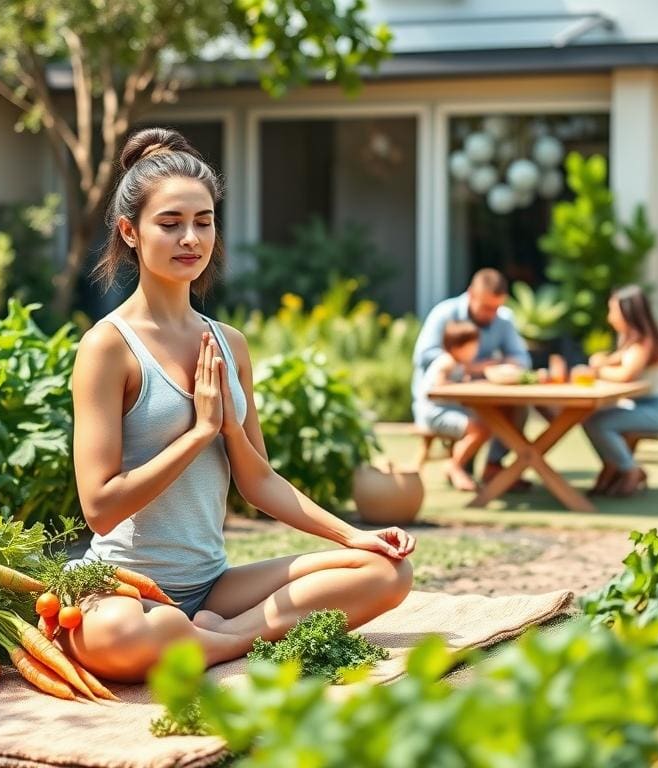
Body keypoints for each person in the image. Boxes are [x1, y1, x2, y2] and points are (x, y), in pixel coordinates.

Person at [63, 128, 414, 683]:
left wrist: (354, 536)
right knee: (120, 636)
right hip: (124, 589)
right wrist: (200, 432)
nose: (191, 239)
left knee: (388, 572)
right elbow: (100, 508)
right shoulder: (107, 347)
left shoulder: (229, 343)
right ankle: (223, 638)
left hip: (213, 587)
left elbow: (259, 481)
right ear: (130, 231)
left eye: (203, 222)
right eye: (170, 223)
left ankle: (215, 638)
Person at [411, 268, 532, 488]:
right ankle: (457, 466)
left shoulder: (503, 319)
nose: (492, 314)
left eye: (496, 308)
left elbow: (521, 360)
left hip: (476, 397)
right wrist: (474, 367)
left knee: (515, 407)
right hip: (441, 405)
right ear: (470, 294)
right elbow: (425, 356)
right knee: (482, 424)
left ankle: (494, 465)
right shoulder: (445, 314)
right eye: (486, 307)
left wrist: (496, 367)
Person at [582, 284, 658, 497]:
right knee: (590, 417)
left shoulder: (644, 342)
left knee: (598, 423)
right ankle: (614, 467)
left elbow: (626, 375)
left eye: (613, 311)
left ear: (627, 313)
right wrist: (601, 362)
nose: (610, 317)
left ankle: (629, 469)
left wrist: (598, 371)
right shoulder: (631, 340)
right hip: (642, 406)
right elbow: (613, 361)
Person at [414, 320, 491, 491]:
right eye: (471, 347)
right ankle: (455, 466)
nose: (475, 351)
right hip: (435, 414)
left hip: (445, 411)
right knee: (479, 430)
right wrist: (463, 386)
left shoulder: (458, 364)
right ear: (457, 347)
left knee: (484, 427)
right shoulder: (446, 362)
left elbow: (471, 371)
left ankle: (456, 465)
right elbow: (439, 387)